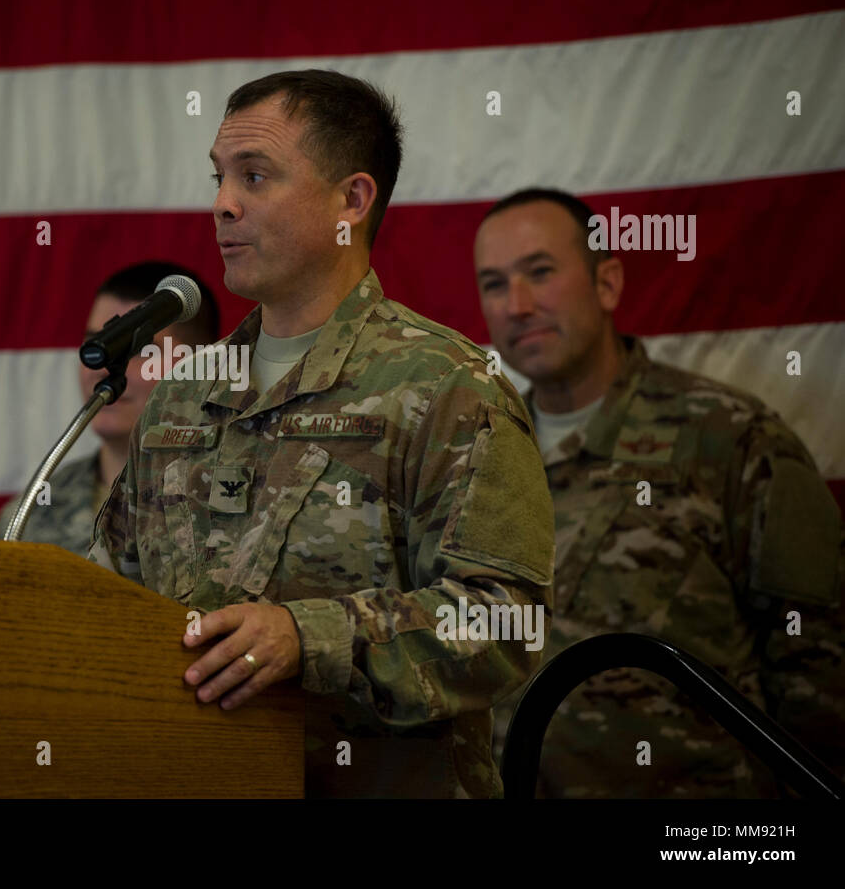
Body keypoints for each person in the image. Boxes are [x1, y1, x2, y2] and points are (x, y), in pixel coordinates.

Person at [88, 69, 556, 798]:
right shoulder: (181, 397)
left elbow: (506, 623)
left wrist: (310, 638)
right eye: (218, 177)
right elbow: (106, 598)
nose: (222, 204)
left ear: (352, 200)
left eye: (255, 175)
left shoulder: (449, 387)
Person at [473, 186, 845, 797]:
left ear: (608, 282)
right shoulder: (477, 451)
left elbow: (818, 672)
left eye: (540, 272)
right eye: (494, 283)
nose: (516, 304)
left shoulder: (730, 437)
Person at [0, 262, 219, 555]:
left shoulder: (233, 496)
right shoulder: (36, 507)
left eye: (138, 349)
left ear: (202, 366)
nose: (103, 369)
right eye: (97, 343)